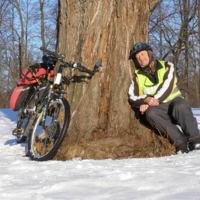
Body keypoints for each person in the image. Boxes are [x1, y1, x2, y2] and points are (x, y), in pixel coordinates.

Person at [128, 42, 200, 154]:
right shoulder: (136, 76)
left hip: (174, 101)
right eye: (137, 58)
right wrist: (146, 100)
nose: (140, 58)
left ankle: (195, 139)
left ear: (149, 53)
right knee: (151, 114)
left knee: (180, 106)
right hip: (158, 108)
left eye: (142, 54)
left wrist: (150, 101)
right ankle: (180, 142)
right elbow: (132, 97)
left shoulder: (167, 66)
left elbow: (167, 87)